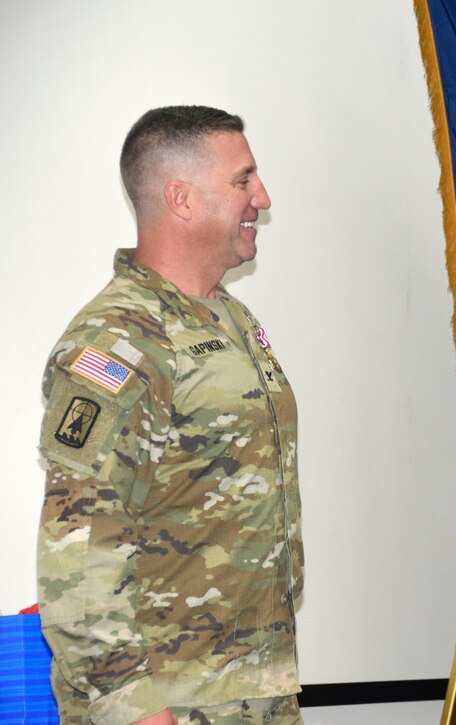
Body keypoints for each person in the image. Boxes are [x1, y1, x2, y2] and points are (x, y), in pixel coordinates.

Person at [36, 106, 304, 724]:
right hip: (168, 704)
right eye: (244, 180)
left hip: (253, 689)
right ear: (180, 199)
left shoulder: (230, 319)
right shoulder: (121, 341)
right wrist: (134, 709)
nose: (262, 198)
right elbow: (78, 548)